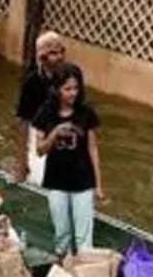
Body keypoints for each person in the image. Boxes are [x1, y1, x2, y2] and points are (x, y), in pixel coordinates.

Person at [32, 70, 103, 256]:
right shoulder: (45, 113)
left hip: (83, 181)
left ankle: (85, 272)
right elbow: (39, 151)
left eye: (76, 88)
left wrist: (98, 185)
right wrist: (54, 133)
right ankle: (63, 268)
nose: (73, 93)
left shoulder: (86, 113)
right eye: (67, 89)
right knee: (62, 236)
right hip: (56, 181)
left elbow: (93, 149)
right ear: (56, 90)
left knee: (84, 240)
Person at [13, 31, 86, 185]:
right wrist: (21, 161)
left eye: (62, 51)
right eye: (53, 53)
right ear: (42, 58)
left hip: (67, 130)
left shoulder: (74, 74)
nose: (60, 56)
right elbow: (22, 121)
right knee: (40, 181)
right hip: (41, 133)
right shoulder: (31, 83)